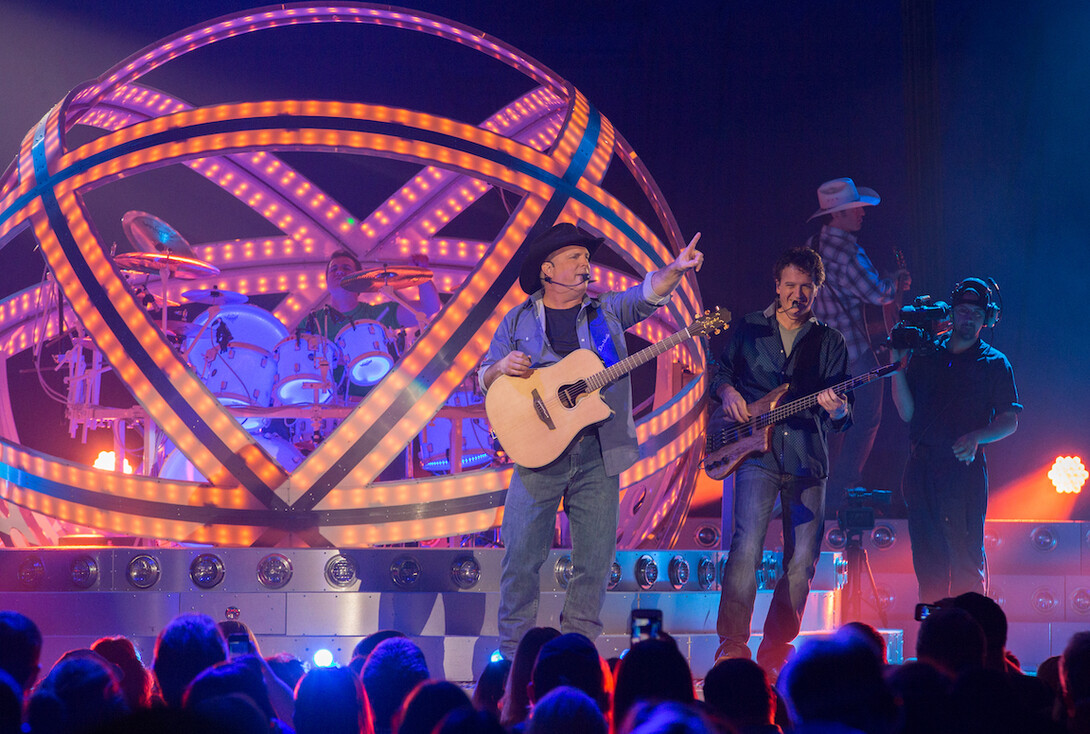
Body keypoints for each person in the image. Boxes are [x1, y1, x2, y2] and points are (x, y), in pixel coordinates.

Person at [479, 222, 703, 658]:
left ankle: (576, 654)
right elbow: (484, 378)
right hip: (538, 452)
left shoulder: (606, 312)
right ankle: (513, 657)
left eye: (586, 257)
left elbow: (647, 293)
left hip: (599, 450)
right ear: (548, 269)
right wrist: (500, 367)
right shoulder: (518, 318)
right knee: (522, 555)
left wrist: (675, 270)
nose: (586, 264)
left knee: (596, 561)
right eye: (575, 257)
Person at [712, 246, 851, 674]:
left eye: (806, 287)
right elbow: (721, 372)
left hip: (808, 457)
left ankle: (776, 647)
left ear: (817, 290)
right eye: (790, 286)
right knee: (746, 547)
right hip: (756, 452)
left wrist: (837, 410)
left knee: (801, 560)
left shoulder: (830, 341)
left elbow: (843, 414)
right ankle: (733, 645)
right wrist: (729, 393)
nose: (797, 295)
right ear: (777, 286)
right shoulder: (750, 328)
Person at [889, 277, 1020, 602]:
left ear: (988, 317)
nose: (969, 318)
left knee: (964, 563)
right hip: (921, 472)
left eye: (976, 313)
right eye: (962, 311)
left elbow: (1009, 420)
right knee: (928, 563)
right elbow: (907, 413)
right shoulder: (926, 354)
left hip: (962, 475)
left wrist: (977, 436)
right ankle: (934, 643)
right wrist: (896, 367)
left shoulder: (995, 363)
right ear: (951, 313)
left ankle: (970, 642)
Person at [806, 178, 910, 514]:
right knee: (867, 418)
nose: (862, 212)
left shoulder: (813, 245)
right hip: (852, 351)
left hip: (821, 352)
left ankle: (820, 489)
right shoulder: (847, 251)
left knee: (832, 423)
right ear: (837, 216)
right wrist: (894, 281)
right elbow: (878, 293)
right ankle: (844, 488)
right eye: (855, 209)